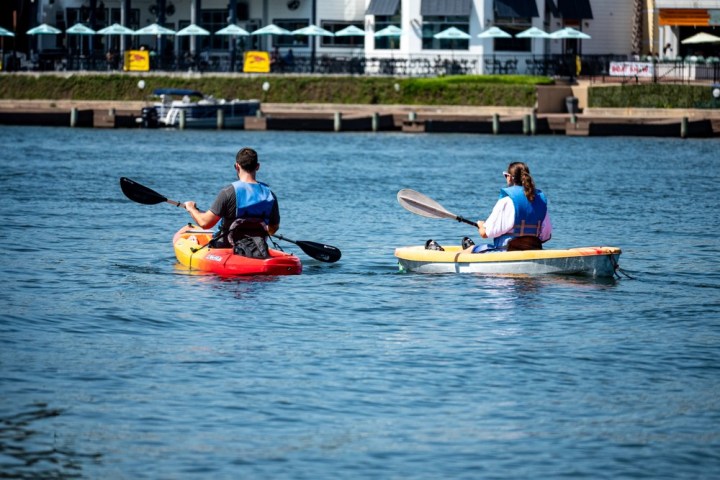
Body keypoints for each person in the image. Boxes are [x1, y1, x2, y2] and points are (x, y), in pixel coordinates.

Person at [425, 162, 551, 253]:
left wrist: (481, 225)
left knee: (469, 252)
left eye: (505, 175)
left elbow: (486, 233)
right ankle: (471, 248)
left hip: (506, 253)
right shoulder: (540, 200)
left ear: (510, 178)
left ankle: (444, 252)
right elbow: (546, 236)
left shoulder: (507, 201)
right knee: (479, 247)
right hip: (534, 251)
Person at [183, 147, 280, 256]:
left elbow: (205, 223)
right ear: (257, 167)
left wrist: (191, 208)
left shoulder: (228, 192)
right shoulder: (270, 195)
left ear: (236, 166)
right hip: (256, 250)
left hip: (226, 250)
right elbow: (273, 227)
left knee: (192, 239)